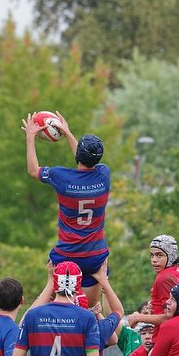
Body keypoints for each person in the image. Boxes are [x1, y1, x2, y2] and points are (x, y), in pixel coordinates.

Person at [23, 111, 110, 306]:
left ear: (78, 154)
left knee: (52, 304)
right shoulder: (104, 174)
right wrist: (69, 133)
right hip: (95, 255)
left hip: (67, 253)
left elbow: (33, 170)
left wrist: (30, 137)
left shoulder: (61, 177)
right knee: (90, 308)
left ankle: (28, 324)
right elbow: (83, 159)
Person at [127, 235, 179, 331]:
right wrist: (156, 304)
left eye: (159, 255)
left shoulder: (164, 278)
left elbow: (170, 318)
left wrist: (138, 317)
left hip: (167, 335)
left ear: (171, 256)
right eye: (152, 255)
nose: (154, 260)